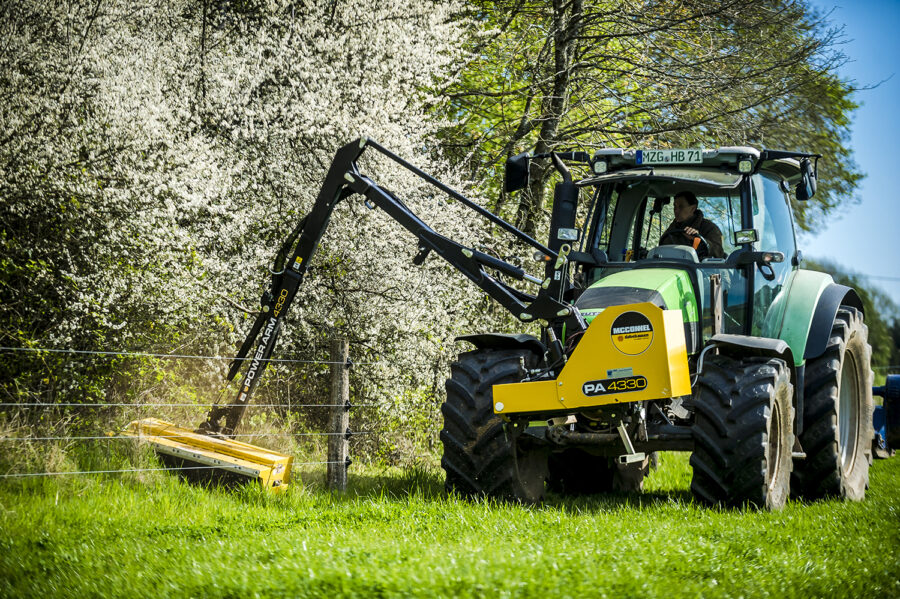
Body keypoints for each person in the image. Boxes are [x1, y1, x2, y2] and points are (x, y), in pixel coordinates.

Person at [659, 191, 725, 259]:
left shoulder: (709, 228)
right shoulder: (671, 230)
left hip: (699, 268)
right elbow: (661, 250)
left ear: (693, 208)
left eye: (681, 207)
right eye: (675, 206)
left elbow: (719, 253)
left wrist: (699, 241)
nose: (676, 210)